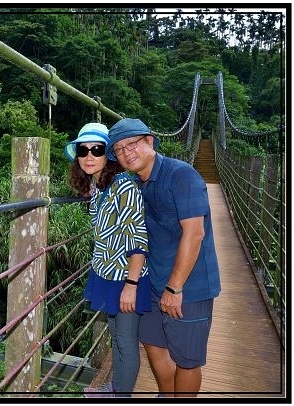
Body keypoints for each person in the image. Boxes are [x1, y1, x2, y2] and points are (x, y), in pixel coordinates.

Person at [105, 118, 221, 397]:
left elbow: (194, 234)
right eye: (119, 150)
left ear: (149, 141)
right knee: (152, 343)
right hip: (156, 283)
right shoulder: (136, 185)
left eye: (131, 144)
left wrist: (174, 287)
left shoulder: (181, 175)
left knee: (187, 360)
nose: (126, 153)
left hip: (189, 288)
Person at [65, 122, 150, 397]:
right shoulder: (100, 186)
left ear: (108, 155)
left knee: (125, 341)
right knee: (116, 336)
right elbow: (102, 229)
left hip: (125, 277)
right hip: (106, 272)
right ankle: (115, 389)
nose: (89, 156)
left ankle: (121, 397)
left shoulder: (124, 186)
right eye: (83, 150)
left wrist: (131, 284)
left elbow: (138, 238)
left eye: (97, 149)